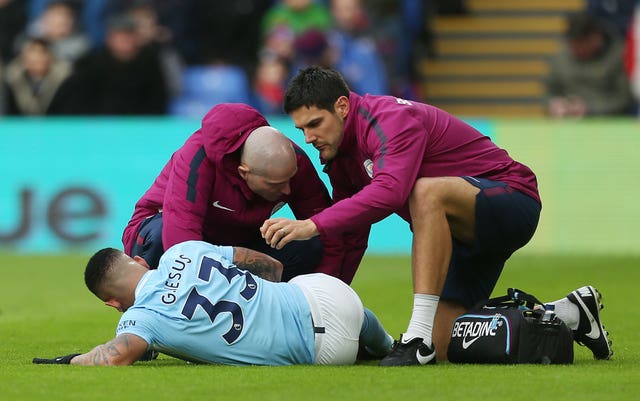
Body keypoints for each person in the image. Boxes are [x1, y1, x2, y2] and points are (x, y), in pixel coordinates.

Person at [260, 66, 613, 365]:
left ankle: (417, 339)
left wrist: (311, 224)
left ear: (341, 106)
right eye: (301, 129)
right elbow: (350, 233)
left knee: (425, 190)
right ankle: (567, 314)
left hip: (511, 198)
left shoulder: (390, 118)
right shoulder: (340, 156)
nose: (308, 137)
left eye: (314, 124)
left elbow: (390, 192)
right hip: (458, 237)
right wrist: (325, 303)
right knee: (451, 345)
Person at [32, 240, 393, 366]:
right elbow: (270, 265)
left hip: (323, 352)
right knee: (333, 304)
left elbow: (114, 358)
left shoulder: (140, 319)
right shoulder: (182, 251)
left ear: (112, 303)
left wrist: (73, 359)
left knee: (332, 333)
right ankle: (391, 346)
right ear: (139, 261)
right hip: (329, 294)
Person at [123, 103, 349, 282]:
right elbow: (181, 245)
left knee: (309, 242)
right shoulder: (195, 159)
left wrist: (328, 295)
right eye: (276, 184)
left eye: (290, 180)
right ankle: (160, 318)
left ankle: (275, 316)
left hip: (238, 241)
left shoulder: (291, 161)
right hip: (168, 235)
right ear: (244, 172)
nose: (287, 190)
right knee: (165, 240)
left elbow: (326, 232)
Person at [546, 12, 634, 118]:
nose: (576, 49)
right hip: (566, 125)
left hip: (607, 124)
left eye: (580, 44)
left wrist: (588, 109)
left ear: (595, 38)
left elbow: (624, 99)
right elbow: (549, 90)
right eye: (572, 44)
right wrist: (554, 104)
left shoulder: (620, 56)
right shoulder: (560, 57)